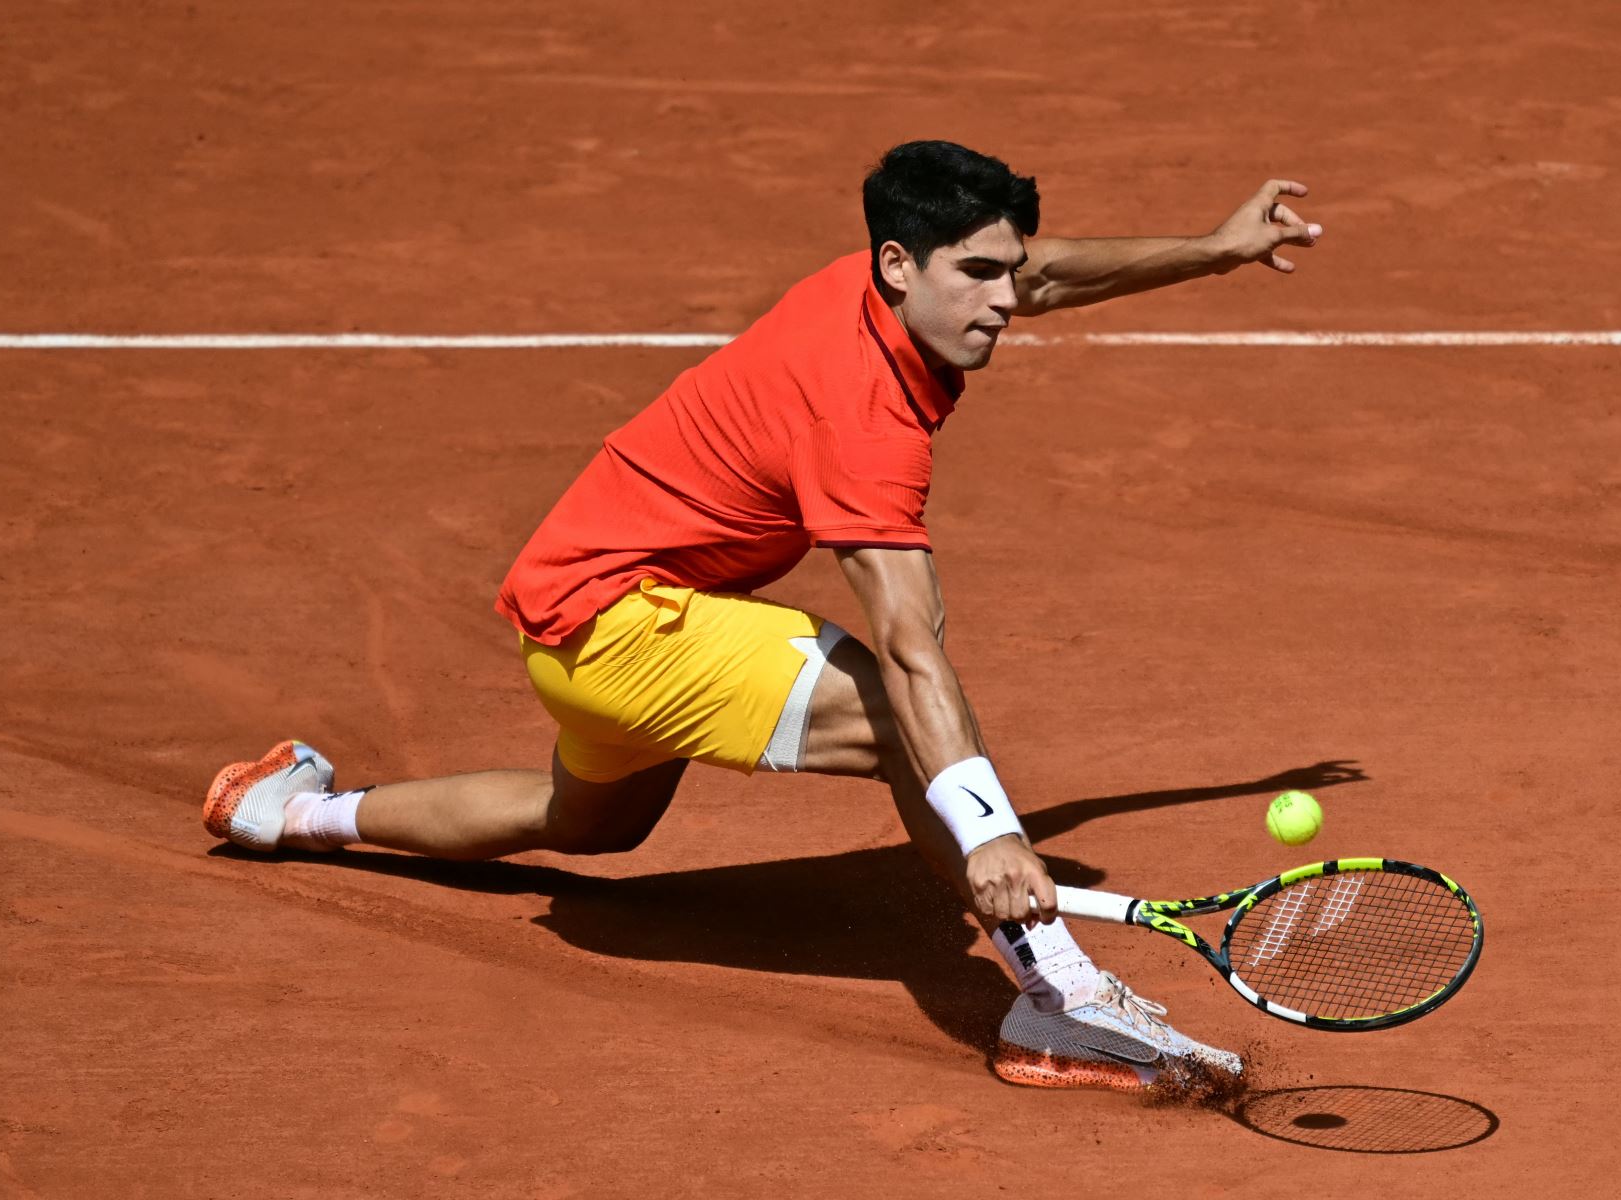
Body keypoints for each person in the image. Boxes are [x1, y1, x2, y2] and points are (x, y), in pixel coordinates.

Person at [204, 140, 1321, 1096]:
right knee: (897, 711)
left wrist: (1213, 248)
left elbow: (1053, 274)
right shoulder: (862, 418)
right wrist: (990, 840)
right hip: (625, 622)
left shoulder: (882, 282)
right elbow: (906, 644)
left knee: (588, 821)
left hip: (577, 619)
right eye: (978, 276)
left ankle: (287, 814)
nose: (1003, 301)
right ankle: (1060, 1002)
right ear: (900, 265)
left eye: (1005, 272)